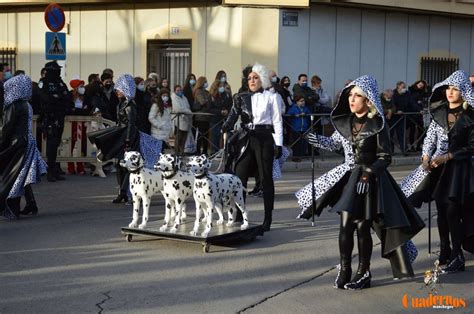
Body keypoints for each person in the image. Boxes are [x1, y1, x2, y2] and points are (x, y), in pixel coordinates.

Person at [303, 75, 424, 289]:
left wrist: (368, 173)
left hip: (371, 180)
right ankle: (345, 269)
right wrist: (317, 140)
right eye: (350, 94)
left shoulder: (378, 124)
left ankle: (364, 272)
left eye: (357, 95)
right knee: (345, 227)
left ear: (367, 100)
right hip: (350, 179)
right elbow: (335, 144)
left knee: (363, 227)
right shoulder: (345, 122)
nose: (352, 99)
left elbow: (385, 157)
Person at [401, 70, 474, 273]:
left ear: (464, 92)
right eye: (448, 88)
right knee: (441, 211)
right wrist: (425, 157)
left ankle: (457, 254)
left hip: (460, 169)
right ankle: (445, 251)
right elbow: (429, 139)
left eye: (455, 89)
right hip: (437, 168)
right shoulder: (439, 113)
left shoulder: (470, 116)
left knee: (452, 210)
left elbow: (472, 146)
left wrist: (449, 156)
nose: (450, 92)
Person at [222, 63, 283, 231]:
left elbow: (277, 121)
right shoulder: (241, 97)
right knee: (240, 176)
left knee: (266, 179)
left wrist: (279, 144)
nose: (252, 80)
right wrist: (225, 126)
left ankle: (267, 219)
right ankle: (240, 214)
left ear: (262, 79)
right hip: (246, 137)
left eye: (255, 78)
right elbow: (233, 116)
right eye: (249, 78)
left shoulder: (272, 97)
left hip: (264, 138)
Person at [88, 74, 162, 203]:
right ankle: (122, 192)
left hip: (129, 137)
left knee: (128, 165)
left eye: (120, 89)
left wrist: (127, 141)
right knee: (119, 164)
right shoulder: (122, 103)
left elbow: (131, 125)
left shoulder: (129, 105)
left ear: (126, 89)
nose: (117, 91)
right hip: (123, 135)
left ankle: (126, 191)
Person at [0, 75, 47, 219]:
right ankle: (30, 204)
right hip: (26, 142)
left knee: (12, 177)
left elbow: (6, 128)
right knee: (22, 175)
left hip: (17, 144)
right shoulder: (26, 104)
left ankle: (11, 208)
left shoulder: (15, 105)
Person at [39, 61, 72, 182]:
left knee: (57, 144)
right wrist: (57, 98)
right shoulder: (44, 82)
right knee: (51, 145)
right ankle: (50, 171)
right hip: (49, 118)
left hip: (59, 116)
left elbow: (67, 97)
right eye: (56, 70)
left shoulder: (60, 82)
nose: (58, 72)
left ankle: (55, 169)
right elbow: (46, 98)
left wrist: (58, 98)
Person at [67, 77, 90, 175]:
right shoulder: (69, 97)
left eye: (83, 86)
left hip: (83, 123)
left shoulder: (85, 97)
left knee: (82, 144)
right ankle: (70, 166)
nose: (83, 88)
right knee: (71, 144)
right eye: (80, 86)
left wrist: (78, 110)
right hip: (71, 123)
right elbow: (69, 110)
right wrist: (81, 111)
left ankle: (81, 166)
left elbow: (87, 109)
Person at [209, 80, 232, 154]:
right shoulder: (212, 96)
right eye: (221, 86)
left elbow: (230, 105)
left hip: (224, 119)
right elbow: (209, 108)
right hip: (215, 120)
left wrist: (227, 111)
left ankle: (224, 152)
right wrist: (220, 112)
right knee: (215, 137)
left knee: (225, 137)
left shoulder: (226, 95)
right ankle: (214, 152)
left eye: (223, 86)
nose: (222, 88)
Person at [287, 95, 311, 162]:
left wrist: (305, 113)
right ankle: (295, 157)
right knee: (296, 143)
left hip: (304, 128)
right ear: (297, 102)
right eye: (301, 101)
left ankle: (301, 155)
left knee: (303, 142)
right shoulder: (293, 108)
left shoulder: (305, 108)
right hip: (296, 128)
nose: (303, 102)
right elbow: (289, 113)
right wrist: (296, 114)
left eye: (304, 101)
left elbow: (309, 113)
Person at [192, 76, 212, 155]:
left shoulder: (206, 92)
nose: (206, 83)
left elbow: (209, 101)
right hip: (200, 117)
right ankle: (198, 151)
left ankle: (205, 151)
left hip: (206, 117)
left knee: (206, 135)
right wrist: (208, 100)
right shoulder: (198, 91)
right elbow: (202, 102)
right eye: (205, 81)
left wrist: (208, 101)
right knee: (201, 134)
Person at [171, 85, 193, 154]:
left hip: (186, 120)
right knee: (178, 137)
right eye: (178, 90)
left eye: (180, 90)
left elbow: (188, 107)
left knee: (184, 138)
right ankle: (176, 152)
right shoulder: (173, 98)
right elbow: (178, 109)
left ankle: (182, 151)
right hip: (178, 120)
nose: (179, 91)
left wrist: (186, 111)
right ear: (175, 91)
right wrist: (187, 111)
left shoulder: (184, 98)